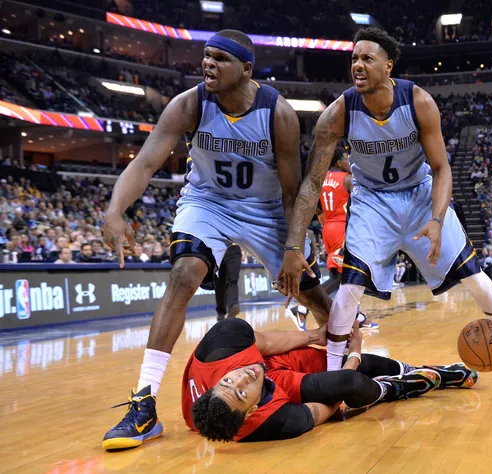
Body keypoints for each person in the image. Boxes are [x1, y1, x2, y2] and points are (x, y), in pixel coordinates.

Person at [102, 30, 333, 451]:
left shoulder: (277, 113)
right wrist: (115, 210)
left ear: (246, 69)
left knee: (320, 304)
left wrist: (293, 249)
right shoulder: (189, 103)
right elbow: (146, 162)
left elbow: (291, 192)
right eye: (206, 57)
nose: (209, 64)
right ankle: (144, 401)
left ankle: (338, 363)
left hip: (264, 210)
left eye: (220, 59)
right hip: (208, 202)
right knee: (184, 274)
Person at [277, 27, 492, 393]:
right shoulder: (338, 113)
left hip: (419, 196)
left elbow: (441, 168)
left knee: (476, 281)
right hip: (372, 200)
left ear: (388, 66)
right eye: (354, 59)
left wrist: (437, 220)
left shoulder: (418, 102)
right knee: (349, 289)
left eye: (367, 59)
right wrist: (294, 246)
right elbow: (311, 184)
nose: (357, 65)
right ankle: (331, 378)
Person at [184, 318, 477, 442]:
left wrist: (314, 334)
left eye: (227, 382)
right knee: (350, 384)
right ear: (250, 411)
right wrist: (355, 352)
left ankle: (409, 368)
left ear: (214, 385)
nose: (242, 379)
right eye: (241, 393)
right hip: (282, 384)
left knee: (355, 366)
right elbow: (331, 406)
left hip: (272, 362)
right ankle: (397, 387)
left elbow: (264, 342)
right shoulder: (271, 422)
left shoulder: (221, 344)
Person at [286, 145, 378, 331]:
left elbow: (316, 209)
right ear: (338, 161)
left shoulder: (320, 181)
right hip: (343, 229)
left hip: (328, 227)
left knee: (347, 275)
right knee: (344, 277)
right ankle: (303, 307)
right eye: (346, 157)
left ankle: (357, 317)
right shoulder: (348, 179)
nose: (349, 161)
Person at [215, 244, 242, 321]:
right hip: (217, 249)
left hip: (234, 248)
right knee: (219, 283)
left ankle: (233, 306)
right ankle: (221, 312)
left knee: (233, 279)